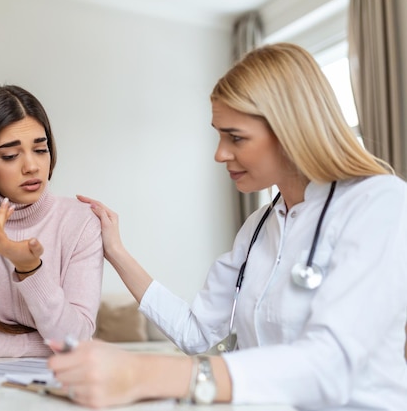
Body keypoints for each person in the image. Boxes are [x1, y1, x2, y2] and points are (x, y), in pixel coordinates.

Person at [47, 43, 407, 410]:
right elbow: (197, 333)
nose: (220, 153)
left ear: (291, 130)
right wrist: (117, 252)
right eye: (219, 135)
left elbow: (331, 363)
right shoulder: (258, 227)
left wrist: (143, 372)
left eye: (235, 137)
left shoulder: (378, 202)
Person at [0, 85, 103, 357]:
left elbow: (75, 343)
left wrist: (29, 269)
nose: (32, 166)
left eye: (40, 149)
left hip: (55, 383)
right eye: (10, 155)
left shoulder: (80, 222)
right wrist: (50, 345)